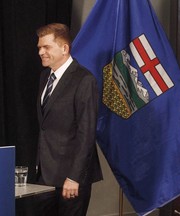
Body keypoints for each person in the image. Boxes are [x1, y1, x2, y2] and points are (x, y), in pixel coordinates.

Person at [35, 23, 103, 216]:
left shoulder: (84, 80)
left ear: (64, 48)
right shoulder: (43, 77)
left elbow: (86, 132)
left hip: (71, 179)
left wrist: (74, 177)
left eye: (46, 47)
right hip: (45, 176)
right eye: (39, 47)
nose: (41, 52)